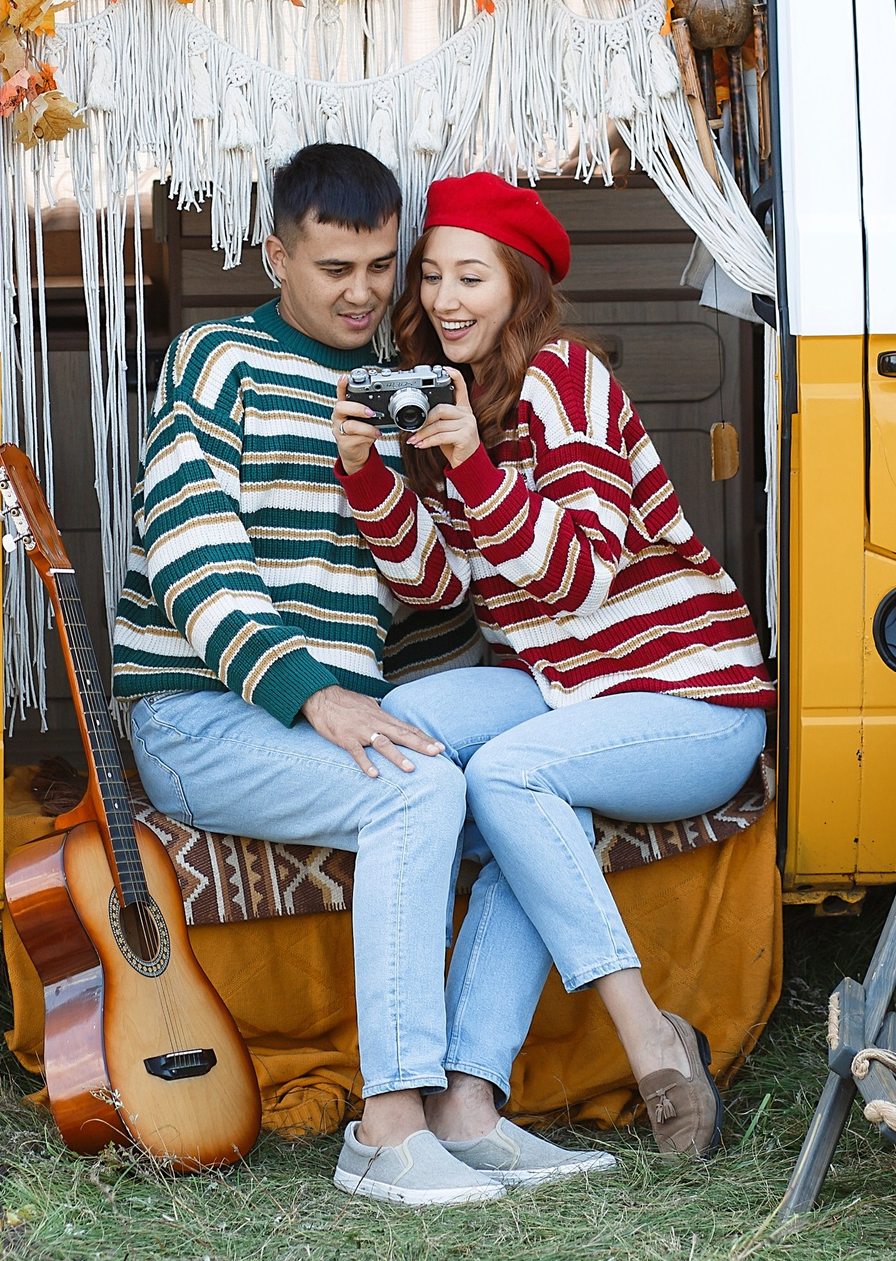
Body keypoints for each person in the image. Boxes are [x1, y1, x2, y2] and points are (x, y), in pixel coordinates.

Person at [111, 144, 611, 1206]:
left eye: (383, 266)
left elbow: (428, 597)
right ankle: (387, 1129)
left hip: (321, 720)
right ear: (274, 256)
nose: (363, 292)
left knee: (511, 793)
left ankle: (467, 1108)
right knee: (419, 789)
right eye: (335, 266)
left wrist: (434, 467)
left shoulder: (403, 383)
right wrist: (310, 691)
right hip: (199, 716)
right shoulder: (217, 360)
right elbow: (192, 545)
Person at [332, 171, 774, 1160]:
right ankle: (463, 1104)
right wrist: (368, 472)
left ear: (519, 287)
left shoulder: (563, 379)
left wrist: (476, 471)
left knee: (508, 773)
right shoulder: (456, 399)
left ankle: (649, 1037)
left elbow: (573, 576)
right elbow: (437, 585)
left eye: (472, 278)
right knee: (409, 716)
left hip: (690, 695)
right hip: (570, 687)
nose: (447, 299)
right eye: (434, 277)